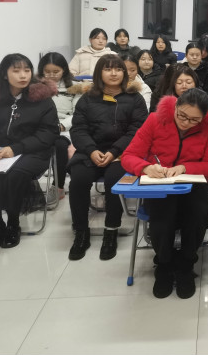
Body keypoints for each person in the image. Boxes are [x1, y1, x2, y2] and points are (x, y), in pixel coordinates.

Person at [122, 88, 208, 299]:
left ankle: (187, 263)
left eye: (194, 120)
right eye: (182, 116)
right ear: (175, 107)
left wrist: (186, 167)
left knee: (197, 213)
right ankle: (164, 263)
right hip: (160, 182)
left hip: (193, 182)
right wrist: (145, 167)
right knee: (162, 214)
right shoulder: (155, 120)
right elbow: (129, 156)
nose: (186, 123)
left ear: (204, 118)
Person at [67, 54, 148, 261]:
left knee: (114, 181)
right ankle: (81, 232)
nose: (114, 73)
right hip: (90, 152)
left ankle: (111, 230)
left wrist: (114, 151)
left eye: (118, 69)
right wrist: (91, 150)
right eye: (108, 69)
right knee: (78, 180)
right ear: (99, 73)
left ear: (124, 73)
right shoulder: (87, 98)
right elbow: (78, 129)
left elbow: (137, 130)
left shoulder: (135, 98)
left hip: (122, 153)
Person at [0, 54, 59, 248]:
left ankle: (13, 224)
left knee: (15, 174)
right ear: (5, 74)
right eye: (16, 71)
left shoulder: (43, 100)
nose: (23, 75)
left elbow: (48, 133)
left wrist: (16, 149)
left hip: (33, 151)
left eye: (27, 70)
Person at [38, 52, 84, 202]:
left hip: (65, 128)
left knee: (60, 145)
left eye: (56, 71)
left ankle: (58, 186)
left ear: (64, 70)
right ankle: (30, 186)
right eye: (47, 72)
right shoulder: (35, 87)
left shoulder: (76, 87)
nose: (51, 75)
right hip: (41, 128)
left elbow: (79, 113)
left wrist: (62, 126)